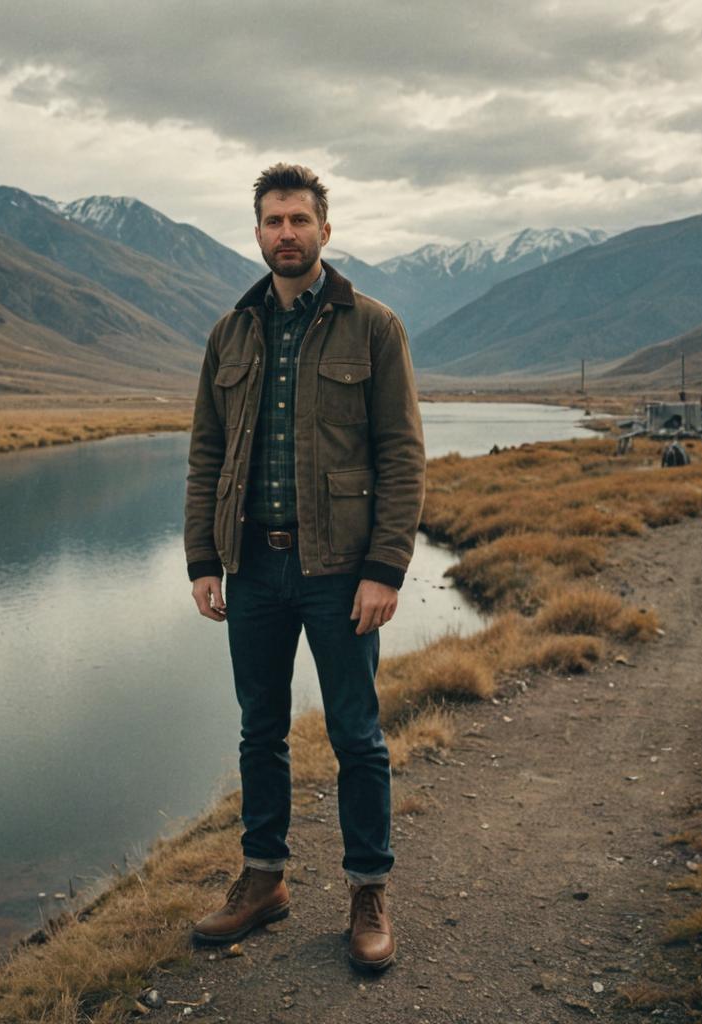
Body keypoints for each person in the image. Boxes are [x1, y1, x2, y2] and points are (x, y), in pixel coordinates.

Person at [183, 163, 425, 971]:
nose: (285, 233)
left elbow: (401, 455)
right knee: (261, 729)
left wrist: (385, 567)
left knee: (357, 734)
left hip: (338, 571)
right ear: (256, 233)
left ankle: (367, 891)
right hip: (251, 567)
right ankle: (263, 882)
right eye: (272, 221)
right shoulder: (232, 332)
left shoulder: (374, 327)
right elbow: (206, 454)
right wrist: (202, 559)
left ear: (325, 227)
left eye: (299, 219)